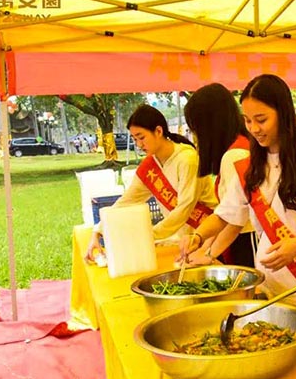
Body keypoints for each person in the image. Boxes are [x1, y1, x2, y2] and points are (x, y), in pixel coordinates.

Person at [181, 74, 296, 350]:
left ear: (283, 114)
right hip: (271, 293)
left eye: (261, 120)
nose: (254, 129)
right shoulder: (250, 167)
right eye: (248, 121)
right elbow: (227, 215)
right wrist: (198, 238)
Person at [85, 104, 217, 261]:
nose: (139, 145)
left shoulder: (187, 159)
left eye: (142, 138)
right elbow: (127, 201)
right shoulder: (150, 165)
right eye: (135, 139)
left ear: (159, 131)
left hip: (208, 236)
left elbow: (184, 208)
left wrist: (150, 235)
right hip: (184, 242)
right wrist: (98, 231)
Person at [182, 82, 256, 268]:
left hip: (247, 242)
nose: (196, 137)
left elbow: (234, 219)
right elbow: (225, 213)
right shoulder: (241, 145)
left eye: (195, 129)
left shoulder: (234, 156)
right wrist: (203, 244)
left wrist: (208, 253)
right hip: (239, 239)